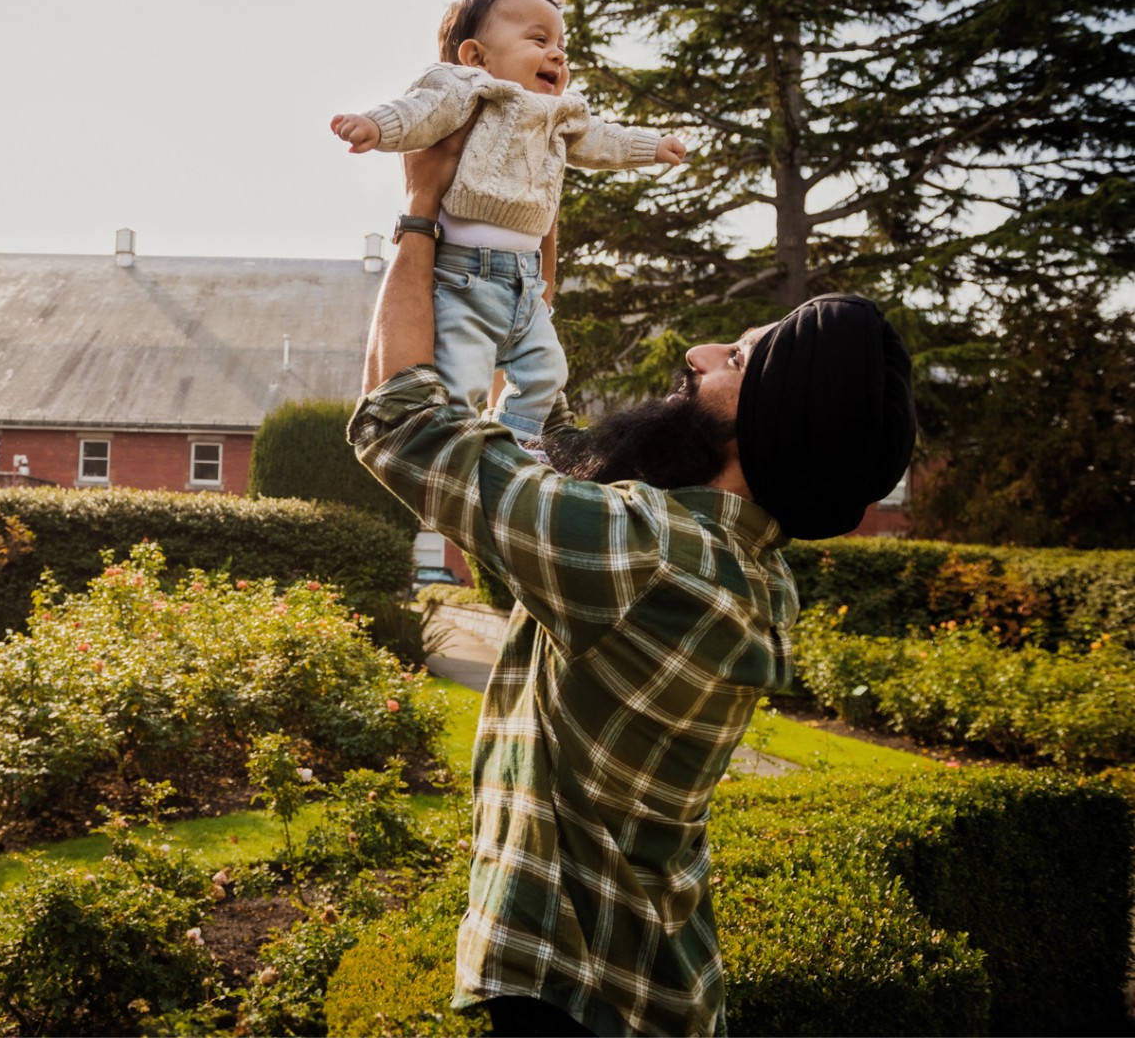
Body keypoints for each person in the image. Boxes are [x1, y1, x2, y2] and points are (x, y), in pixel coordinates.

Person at [348, 132, 916, 1036]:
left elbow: (405, 429)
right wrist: (523, 241)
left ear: (765, 426)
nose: (698, 350)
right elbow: (545, 440)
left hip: (576, 1001)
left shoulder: (643, 555)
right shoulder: (743, 567)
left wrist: (419, 211)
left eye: (735, 359)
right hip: (651, 989)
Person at [331, 0, 688, 445]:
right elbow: (419, 112)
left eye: (562, 45)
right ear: (477, 57)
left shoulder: (560, 116)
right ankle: (459, 445)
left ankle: (515, 442)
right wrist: (375, 126)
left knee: (545, 371)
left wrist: (651, 146)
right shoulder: (466, 91)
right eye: (539, 40)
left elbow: (604, 139)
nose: (558, 55)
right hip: (464, 277)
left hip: (526, 282)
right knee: (461, 378)